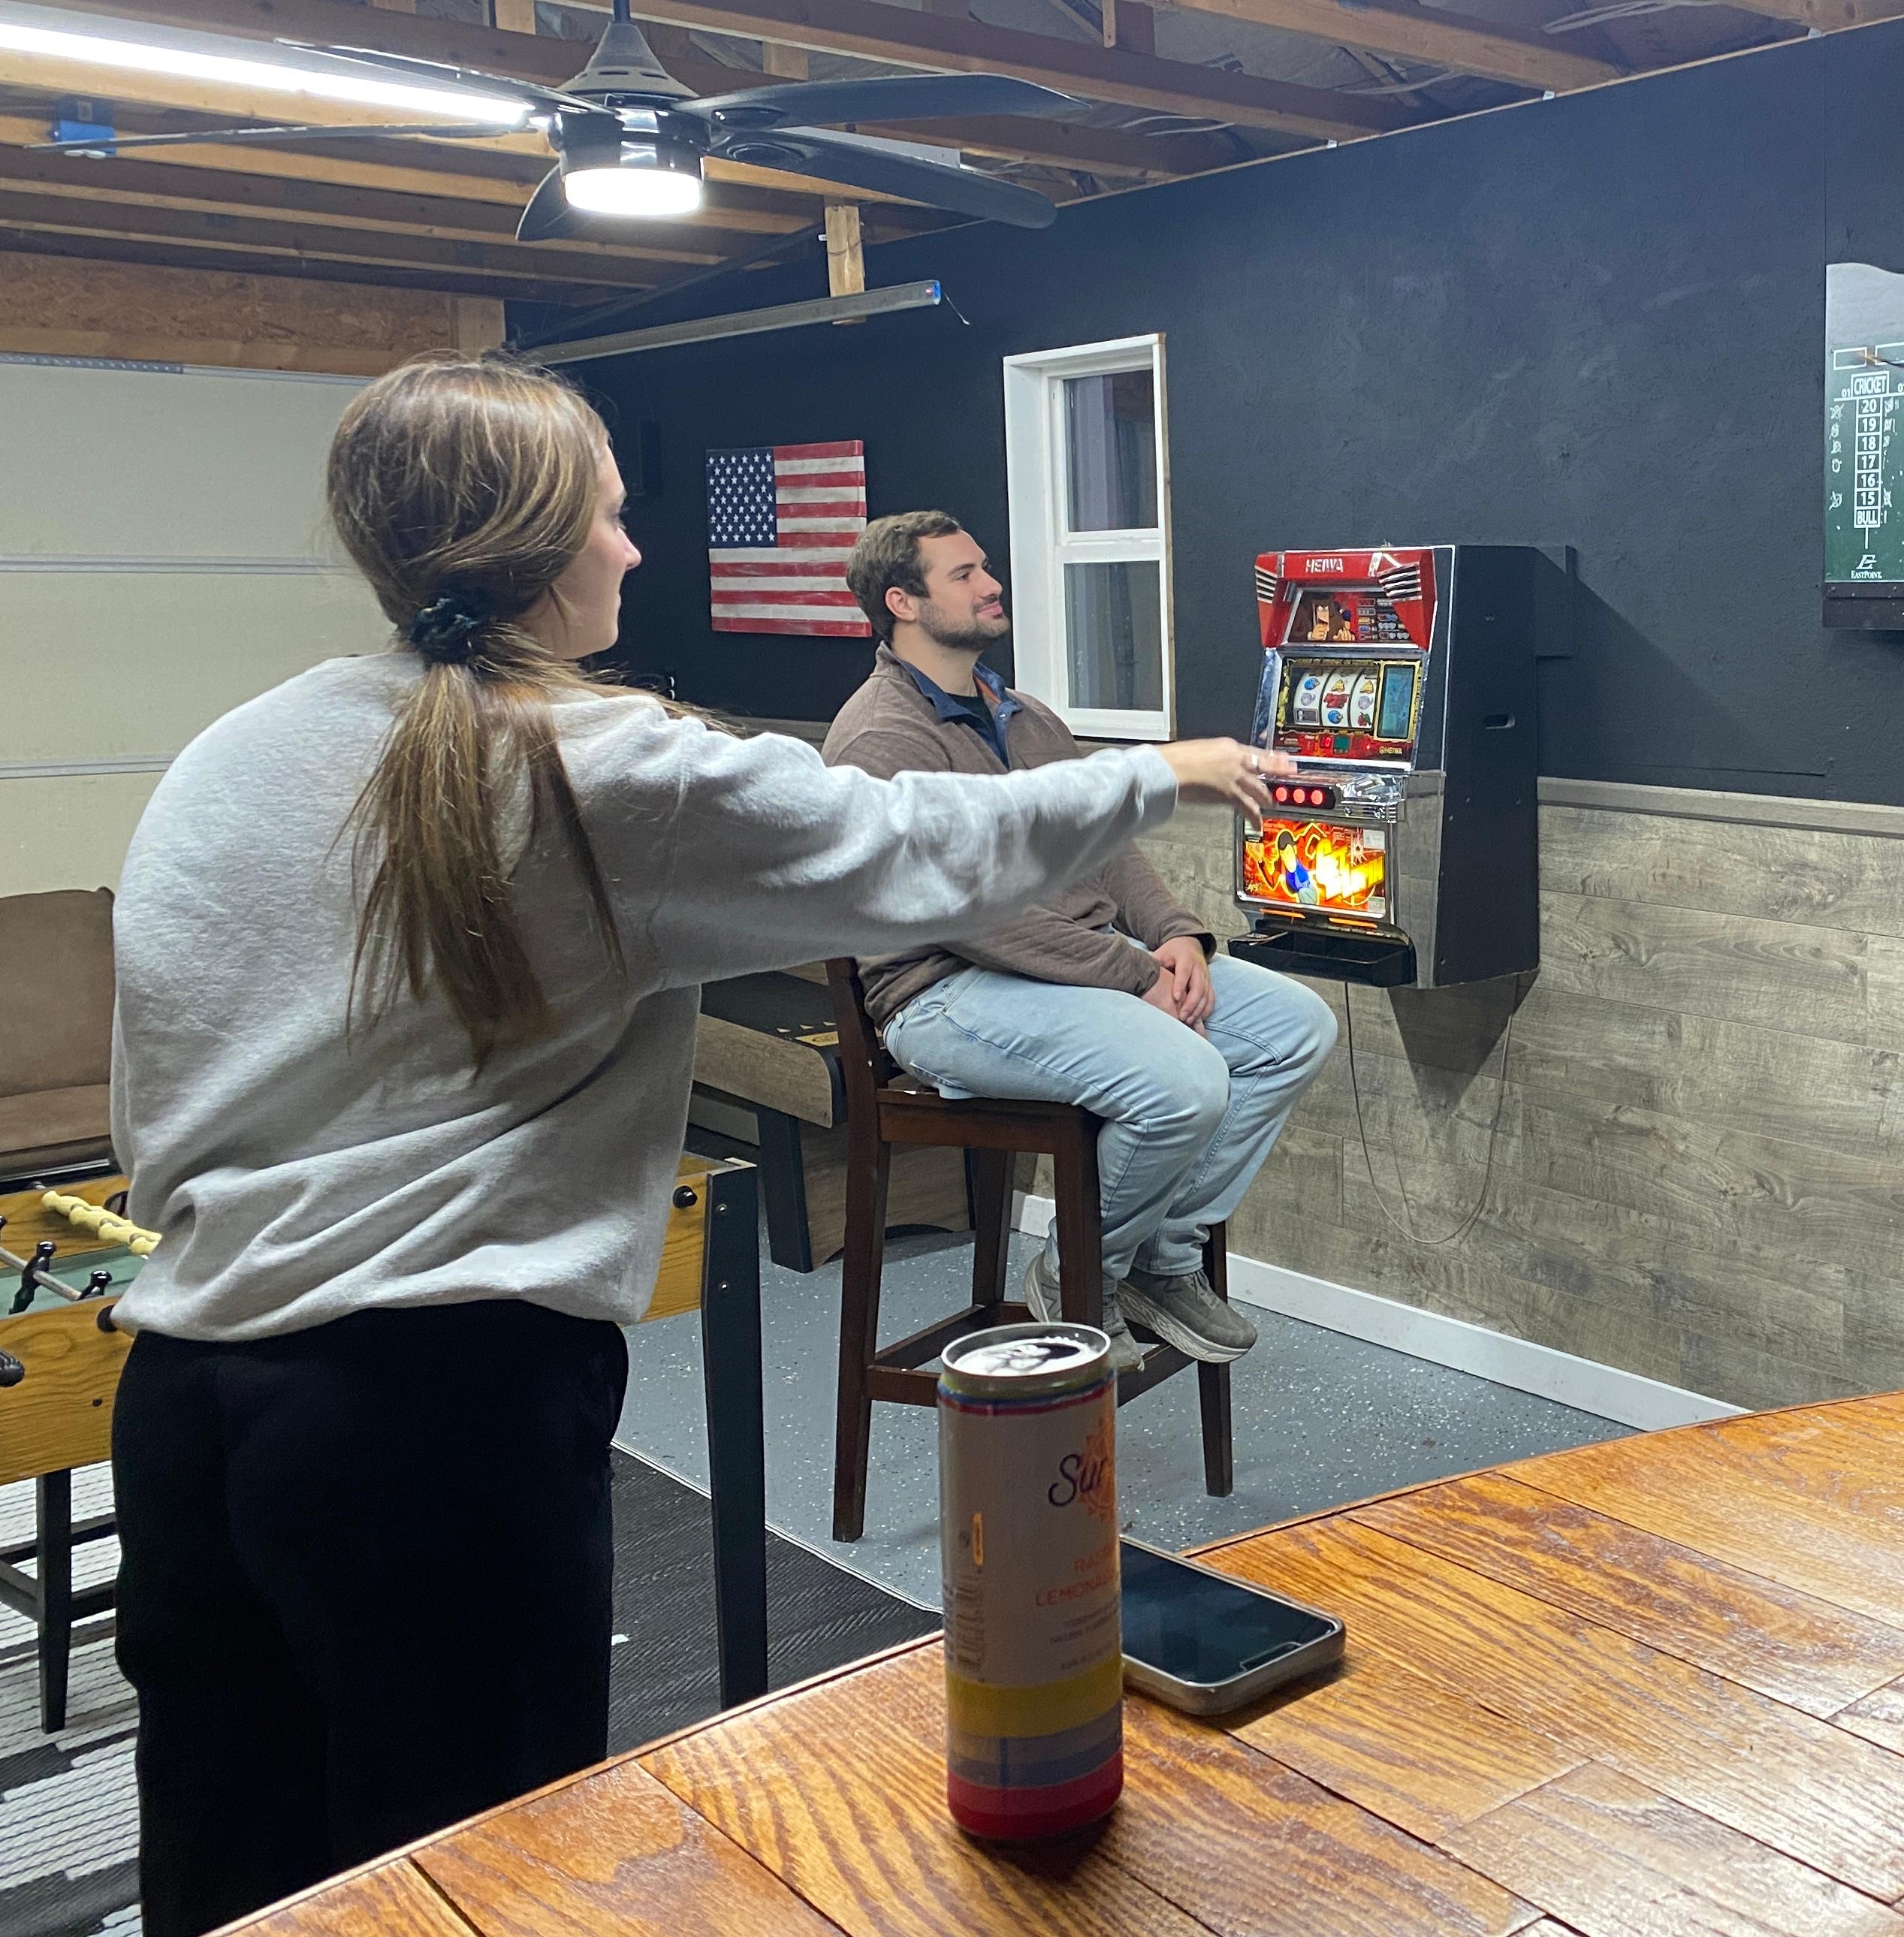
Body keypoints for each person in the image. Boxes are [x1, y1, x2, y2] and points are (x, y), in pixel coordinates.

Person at [104, 359, 1284, 1937]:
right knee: (479, 1885)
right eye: (609, 512)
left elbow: (153, 1089)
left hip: (183, 1399)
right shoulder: (604, 768)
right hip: (438, 1417)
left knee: (230, 1875)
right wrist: (1170, 770)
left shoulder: (234, 752)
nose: (633, 549)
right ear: (537, 540)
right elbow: (913, 852)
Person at [823, 511, 1337, 1370]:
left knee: (1295, 1029)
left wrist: (1176, 939)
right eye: (964, 575)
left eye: (986, 567)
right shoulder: (882, 734)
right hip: (940, 991)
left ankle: (1158, 1263)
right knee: (1184, 1079)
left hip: (1080, 968)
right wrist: (1129, 973)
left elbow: (1106, 844)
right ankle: (1079, 1271)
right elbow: (962, 909)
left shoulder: (1022, 713)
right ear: (901, 602)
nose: (992, 585)